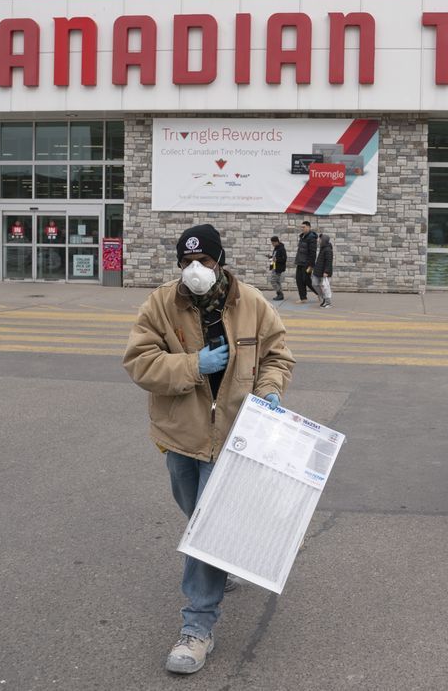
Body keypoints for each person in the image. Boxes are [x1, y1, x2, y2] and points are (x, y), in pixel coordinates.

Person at [122, 223, 295, 676]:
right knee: (193, 508)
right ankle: (225, 556)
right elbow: (139, 363)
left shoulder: (251, 303)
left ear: (221, 261)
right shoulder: (161, 303)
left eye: (204, 261)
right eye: (186, 262)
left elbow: (278, 354)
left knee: (205, 527)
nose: (194, 270)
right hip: (182, 434)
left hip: (236, 434)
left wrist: (271, 389)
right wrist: (192, 364)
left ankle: (197, 626)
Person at [293, 220, 320, 303]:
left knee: (307, 280)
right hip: (300, 262)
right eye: (301, 227)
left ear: (309, 227)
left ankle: (320, 294)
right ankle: (303, 298)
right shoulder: (302, 236)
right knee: (299, 280)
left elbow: (313, 252)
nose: (302, 229)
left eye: (304, 227)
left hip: (307, 263)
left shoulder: (311, 237)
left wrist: (311, 265)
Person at [313, 232, 334, 308]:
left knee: (325, 287)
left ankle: (328, 302)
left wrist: (326, 272)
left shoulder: (328, 250)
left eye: (320, 239)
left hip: (324, 272)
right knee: (314, 284)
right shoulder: (322, 248)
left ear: (324, 240)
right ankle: (324, 299)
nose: (319, 240)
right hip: (318, 271)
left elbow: (329, 261)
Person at [268, 235, 287, 301]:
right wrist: (270, 257)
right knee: (277, 281)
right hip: (274, 267)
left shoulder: (282, 249)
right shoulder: (276, 248)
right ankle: (280, 295)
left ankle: (280, 293)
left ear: (276, 242)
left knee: (273, 281)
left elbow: (284, 259)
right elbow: (274, 258)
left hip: (279, 268)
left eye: (273, 243)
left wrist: (277, 260)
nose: (272, 244)